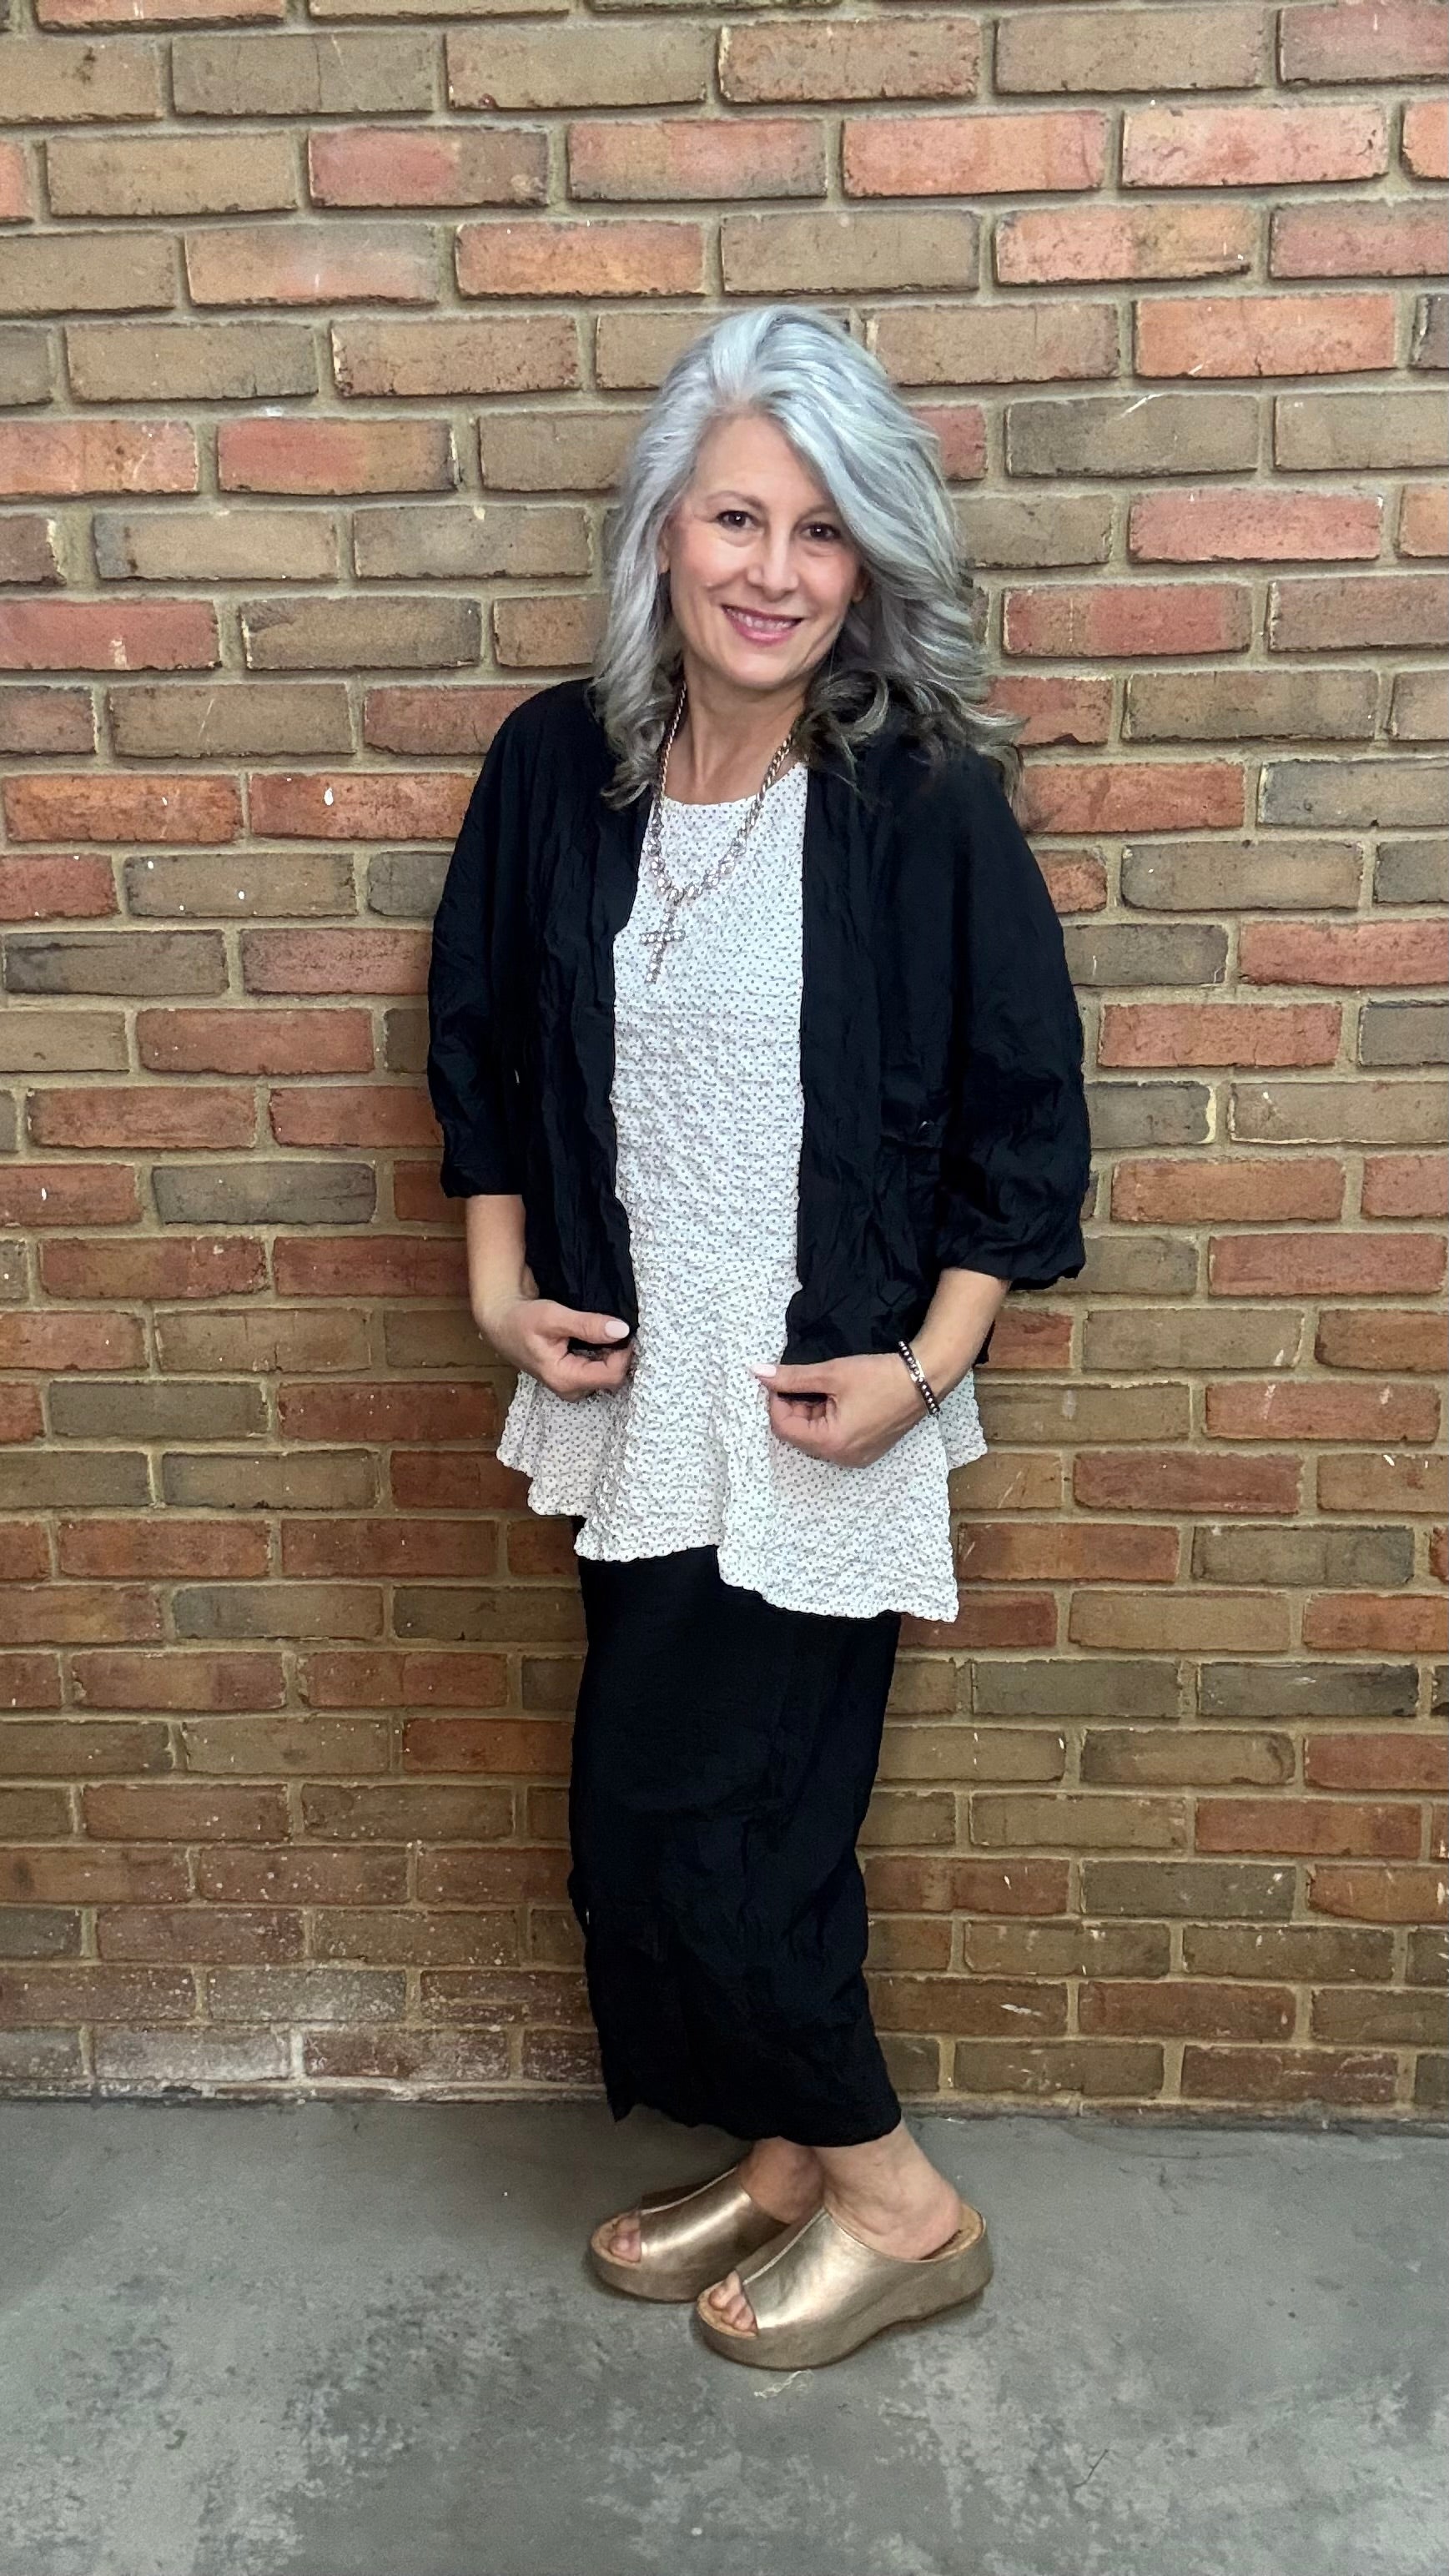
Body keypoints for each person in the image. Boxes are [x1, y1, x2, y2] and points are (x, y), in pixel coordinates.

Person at [426, 304, 1090, 2371]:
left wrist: (927, 1364)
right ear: (662, 532)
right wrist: (491, 1269)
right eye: (737, 514)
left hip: (823, 1409)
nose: (775, 570)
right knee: (701, 1820)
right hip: (634, 1411)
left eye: (822, 529)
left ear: (869, 560)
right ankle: (792, 2159)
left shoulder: (916, 805)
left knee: (705, 1826)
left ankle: (905, 2202)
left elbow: (1022, 1115)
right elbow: (476, 1037)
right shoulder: (565, 764)